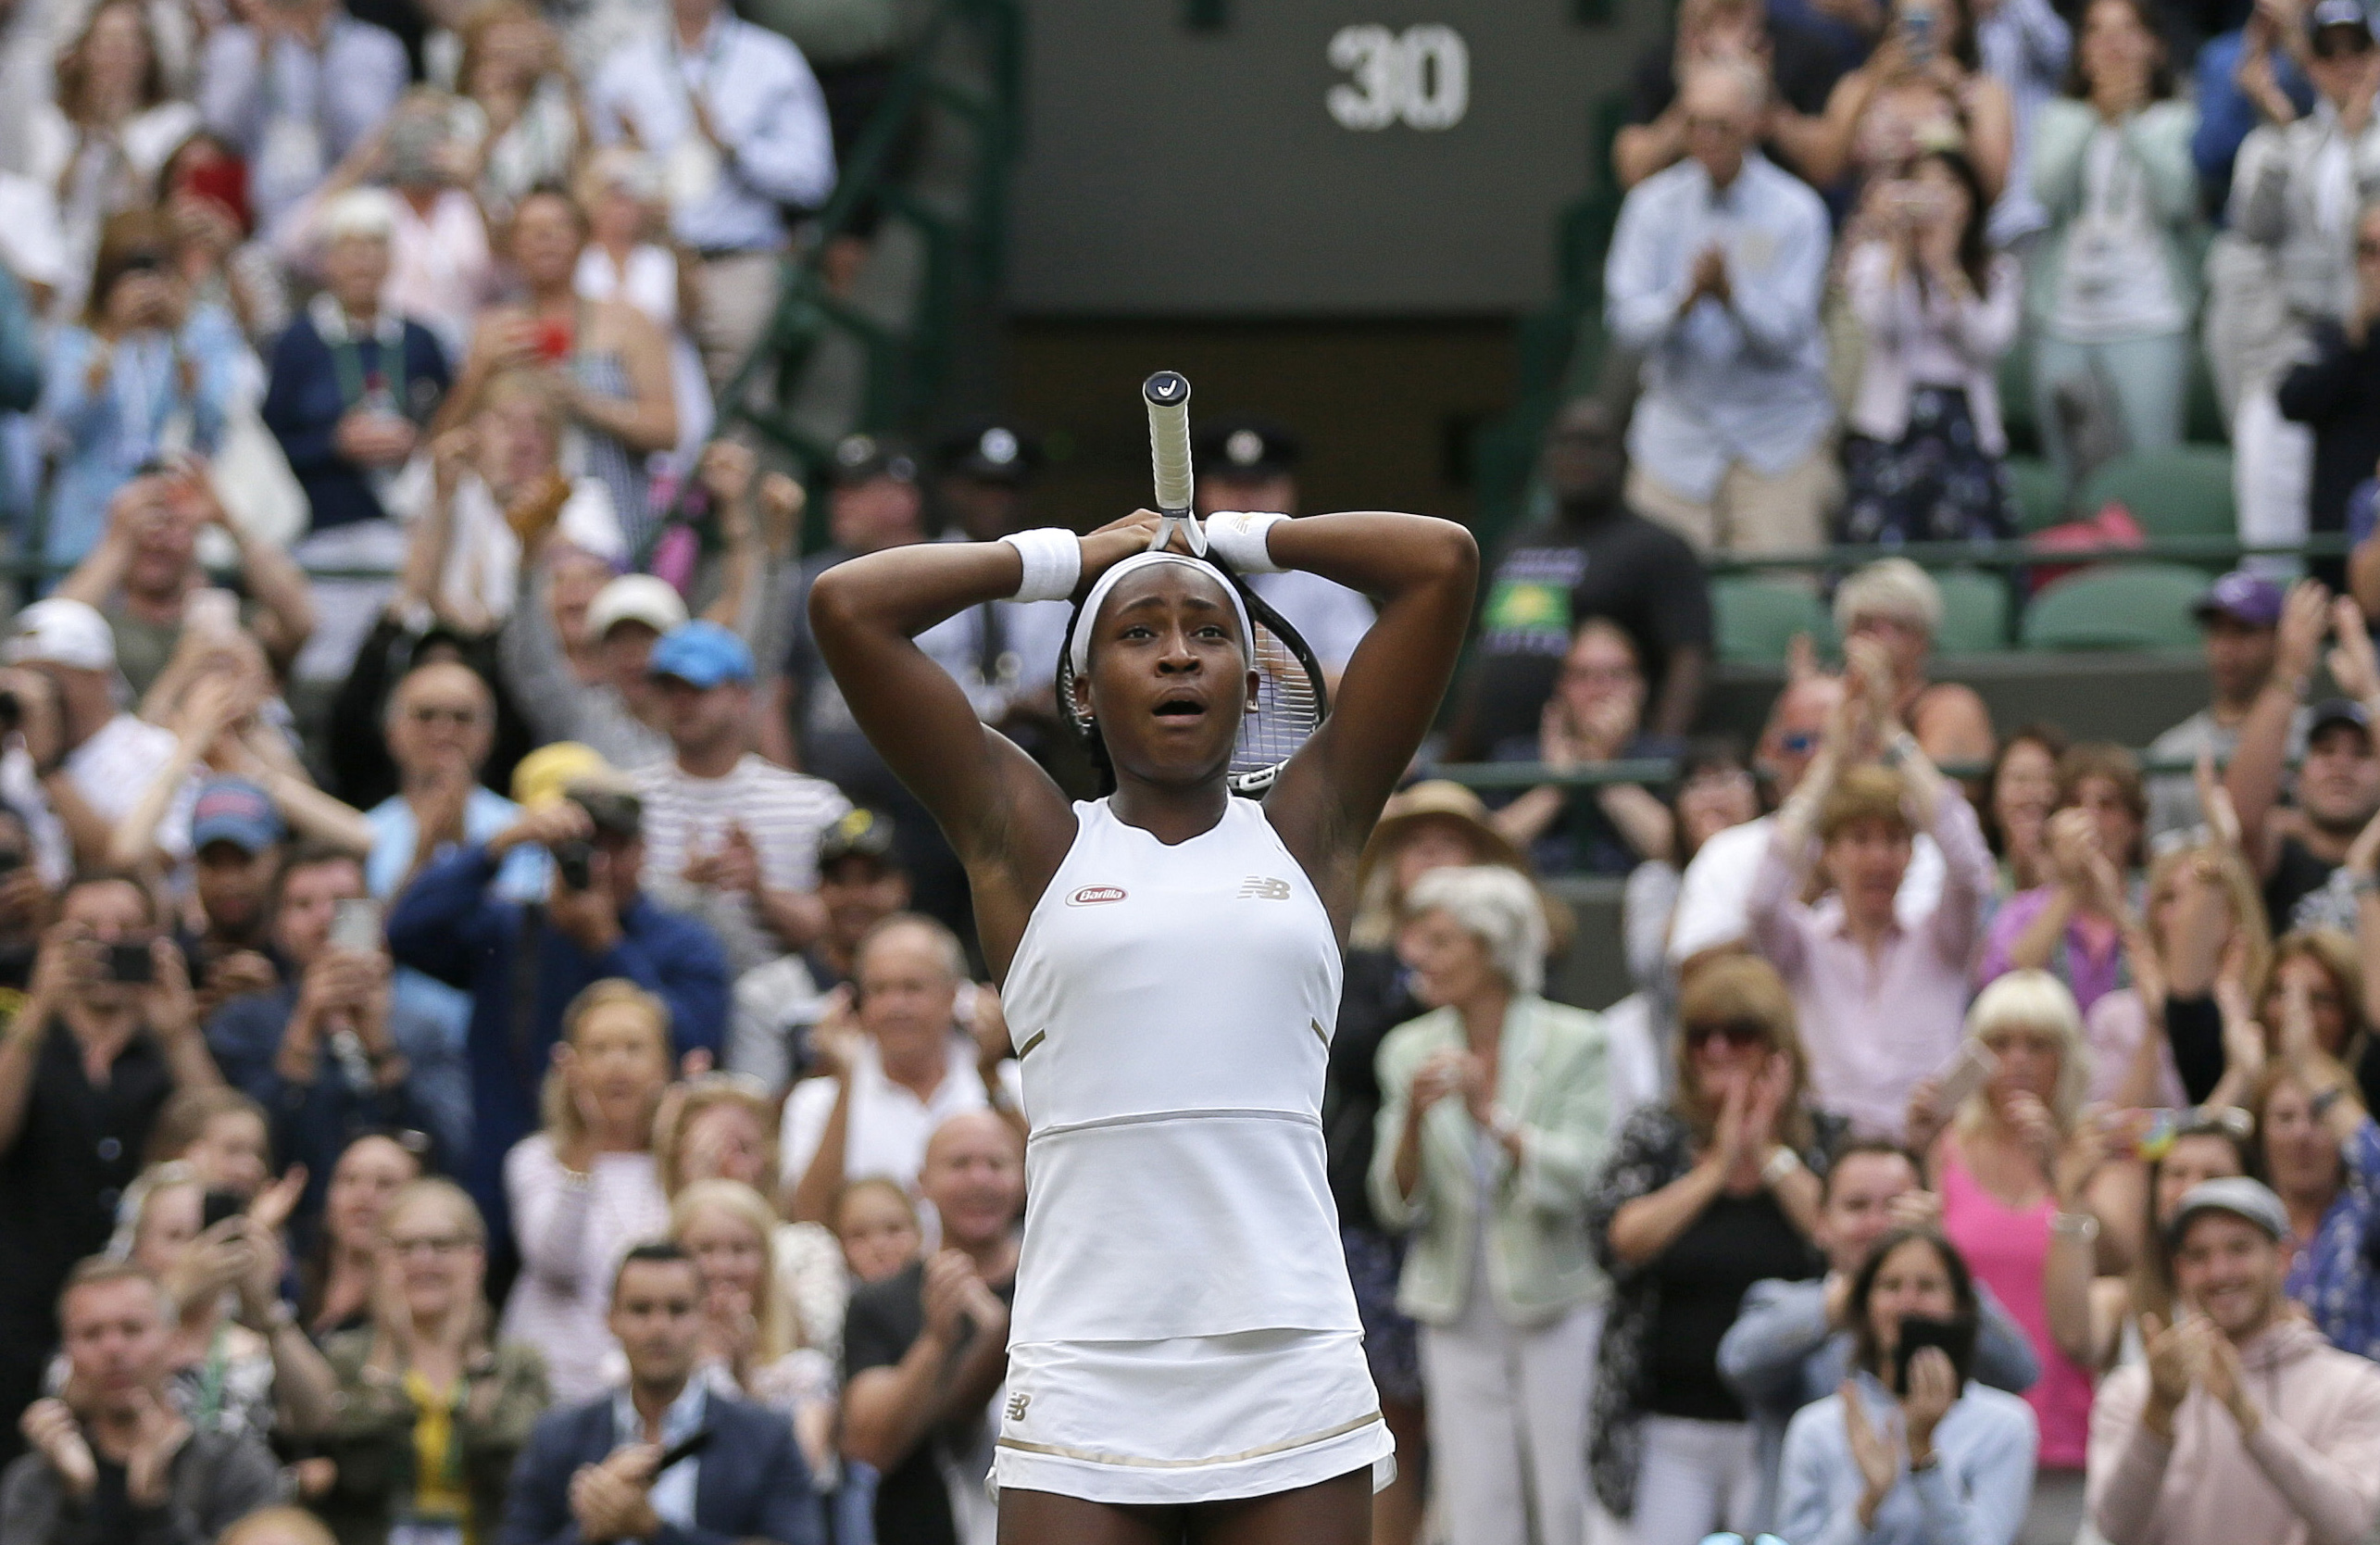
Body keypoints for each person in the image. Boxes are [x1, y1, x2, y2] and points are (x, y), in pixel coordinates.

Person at [808, 473, 1476, 1539]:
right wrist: (1068, 558)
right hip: (1084, 1363)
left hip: (1287, 1356)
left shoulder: (1312, 828)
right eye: (1138, 632)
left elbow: (1438, 561)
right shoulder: (1027, 841)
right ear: (1081, 690)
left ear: (1252, 683)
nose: (1176, 652)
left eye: (1209, 632)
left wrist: (1234, 538)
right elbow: (849, 607)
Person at [386, 761, 730, 1247]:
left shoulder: (685, 945)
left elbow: (694, 1044)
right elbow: (407, 932)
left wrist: (606, 945)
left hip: (635, 1195)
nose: (600, 865)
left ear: (643, 852)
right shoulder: (513, 931)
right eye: (587, 848)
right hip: (502, 1187)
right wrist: (496, 848)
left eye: (616, 847)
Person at [1369, 864, 1611, 1545]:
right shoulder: (1407, 1050)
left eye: (1442, 941)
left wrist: (1492, 1117)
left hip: (1556, 1297)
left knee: (1564, 1496)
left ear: (1492, 948)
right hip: (1454, 1303)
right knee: (1478, 1503)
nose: (1420, 956)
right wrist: (1414, 1125)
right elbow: (1394, 1204)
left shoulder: (1577, 1040)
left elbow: (1583, 1177)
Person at [1585, 953, 1834, 1545]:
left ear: (1778, 1048)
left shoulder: (1822, 1140)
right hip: (1667, 1426)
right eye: (1702, 1035)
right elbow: (1619, 1240)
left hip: (1780, 1426)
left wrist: (1768, 1151)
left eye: (1739, 1034)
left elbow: (1843, 1243)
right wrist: (1717, 1167)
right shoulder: (1655, 1135)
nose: (1718, 1050)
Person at [0, 876, 218, 1463]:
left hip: (148, 1330)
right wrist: (38, 1008)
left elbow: (226, 1146)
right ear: (49, 944)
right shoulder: (24, 1042)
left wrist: (177, 1031)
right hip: (21, 1323)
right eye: (85, 933)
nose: (107, 943)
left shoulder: (169, 1048)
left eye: (127, 930)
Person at [1721, 1139, 2038, 1533]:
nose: (1878, 1225)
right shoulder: (1783, 1303)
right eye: (1856, 1207)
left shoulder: (1997, 1413)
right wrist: (1851, 1299)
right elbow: (1739, 1363)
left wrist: (1941, 1266)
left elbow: (2021, 1371)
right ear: (1821, 1221)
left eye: (1894, 1207)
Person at [1747, 641, 1995, 1138]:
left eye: (1893, 842)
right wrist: (1830, 761)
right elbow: (1761, 900)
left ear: (1909, 854)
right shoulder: (1803, 942)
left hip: (1926, 1148)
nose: (1878, 859)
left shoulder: (1941, 938)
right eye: (1860, 841)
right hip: (1829, 1157)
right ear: (1830, 855)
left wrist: (1889, 731)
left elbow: (1969, 869)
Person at [1912, 970, 2123, 1545]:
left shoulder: (2094, 1148)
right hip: (1954, 1428)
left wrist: (2064, 1178)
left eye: (2039, 1044)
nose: (2019, 1061)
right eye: (2000, 1044)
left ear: (2068, 1057)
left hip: (2060, 1429)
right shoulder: (1943, 1149)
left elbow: (2126, 1263)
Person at [1606, 58, 1838, 557]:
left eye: (1722, 125)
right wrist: (1683, 302)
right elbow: (1625, 326)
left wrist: (1732, 297)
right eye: (1694, 123)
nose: (1706, 137)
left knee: (1777, 608)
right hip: (1675, 444)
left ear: (1755, 123)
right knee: (1660, 612)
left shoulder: (1797, 210)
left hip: (1777, 442)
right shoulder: (1650, 206)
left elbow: (1790, 332)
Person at [2088, 1176, 2380, 1545]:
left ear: (2282, 1258)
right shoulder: (2135, 1390)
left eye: (2239, 1249)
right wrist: (2158, 1415)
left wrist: (2247, 1417)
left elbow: (2350, 1525)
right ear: (2180, 1270)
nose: (2220, 1272)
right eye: (2199, 1256)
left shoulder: (2357, 1386)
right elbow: (2115, 1529)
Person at [204, 844, 470, 1222]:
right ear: (278, 927)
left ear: (375, 917)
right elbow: (251, 1153)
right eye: (303, 905)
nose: (325, 918)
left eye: (343, 902)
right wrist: (304, 1029)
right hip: (287, 1230)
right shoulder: (244, 1023)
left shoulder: (424, 1029)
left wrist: (380, 1045)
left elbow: (449, 1152)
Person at [498, 1242, 825, 1545]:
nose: (659, 1327)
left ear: (703, 1316)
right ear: (611, 1319)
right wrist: (589, 1530)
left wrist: (654, 1529)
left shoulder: (766, 1437)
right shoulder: (556, 1438)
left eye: (677, 1309)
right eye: (641, 1310)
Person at [586, 0, 835, 387]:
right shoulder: (624, 67)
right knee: (651, 395)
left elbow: (813, 179)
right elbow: (598, 178)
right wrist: (635, 164)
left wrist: (733, 149)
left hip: (737, 265)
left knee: (740, 410)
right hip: (649, 266)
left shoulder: (772, 59)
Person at [1450, 396, 1711, 757]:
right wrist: (1455, 761)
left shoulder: (1657, 546)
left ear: (1623, 453)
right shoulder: (1516, 541)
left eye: (1592, 443)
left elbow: (1688, 660)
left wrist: (1659, 759)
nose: (1576, 454)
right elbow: (1487, 655)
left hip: (1594, 764)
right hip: (1499, 765)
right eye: (1563, 442)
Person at [2224, 0, 2380, 572]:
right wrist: (2288, 131)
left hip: (2373, 352)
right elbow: (2253, 227)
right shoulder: (2278, 140)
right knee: (2272, 523)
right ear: (2310, 65)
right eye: (2328, 53)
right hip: (2301, 349)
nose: (2345, 66)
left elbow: (2370, 220)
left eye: (2357, 51)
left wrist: (2357, 139)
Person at [439, 187, 676, 556]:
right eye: (531, 231)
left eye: (558, 228)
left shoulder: (629, 321)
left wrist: (587, 404)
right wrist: (480, 373)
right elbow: (448, 439)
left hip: (613, 523)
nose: (545, 240)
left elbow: (670, 429)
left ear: (583, 239)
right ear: (512, 246)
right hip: (512, 532)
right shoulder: (492, 328)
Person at [315, 1178, 550, 1545]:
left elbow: (515, 1475)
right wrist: (385, 1358)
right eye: (405, 1247)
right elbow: (359, 1473)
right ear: (380, 1258)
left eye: (441, 1245)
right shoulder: (343, 1359)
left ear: (477, 1258)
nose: (423, 1261)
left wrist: (477, 1361)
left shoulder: (519, 1363)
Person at [2026, 0, 2200, 480]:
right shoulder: (2061, 117)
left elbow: (2177, 201)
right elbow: (2045, 192)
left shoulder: (2176, 119)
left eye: (2128, 31)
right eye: (2098, 32)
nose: (2113, 45)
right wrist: (2095, 117)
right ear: (2082, 50)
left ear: (2156, 46)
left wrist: (2129, 122)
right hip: (2065, 318)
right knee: (2067, 472)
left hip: (2149, 315)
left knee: (2149, 473)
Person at [1777, 1228, 2039, 1545]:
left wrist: (1923, 1458)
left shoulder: (2004, 1424)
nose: (1908, 1302)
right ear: (1866, 1304)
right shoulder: (1818, 1426)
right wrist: (1869, 1502)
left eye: (1927, 1286)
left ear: (1959, 1304)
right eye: (1891, 1286)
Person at [840, 1111, 1021, 1545]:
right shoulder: (879, 1301)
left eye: (996, 1164)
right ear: (922, 1182)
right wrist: (936, 1342)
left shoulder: (1054, 1284)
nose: (980, 1180)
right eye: (959, 1164)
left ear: (1025, 1174)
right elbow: (871, 1448)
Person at [0, 1259, 279, 1541]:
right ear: (67, 1353)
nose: (113, 1349)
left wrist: (156, 1507)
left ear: (173, 1341)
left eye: (132, 1329)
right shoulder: (37, 1480)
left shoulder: (234, 1469)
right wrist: (74, 1502)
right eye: (91, 1334)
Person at [633, 621, 847, 977]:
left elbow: (845, 932)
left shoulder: (813, 806)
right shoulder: (628, 801)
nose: (681, 701)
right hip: (659, 999)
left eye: (698, 686)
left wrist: (759, 892)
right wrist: (676, 893)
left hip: (782, 1010)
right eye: (669, 688)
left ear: (743, 696)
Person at [779, 912, 1021, 1224]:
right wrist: (846, 1080)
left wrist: (990, 1074)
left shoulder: (1010, 1084)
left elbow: (1038, 1195)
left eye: (912, 988)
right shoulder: (816, 1101)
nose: (895, 1007)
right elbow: (808, 1218)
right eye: (879, 990)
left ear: (953, 996)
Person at [1838, 149, 2025, 548]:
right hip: (1893, 428)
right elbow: (1884, 325)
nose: (1935, 198)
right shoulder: (1874, 260)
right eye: (1923, 185)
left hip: (1965, 430)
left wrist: (1945, 269)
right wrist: (1900, 250)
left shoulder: (1996, 270)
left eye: (1949, 186)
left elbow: (1990, 342)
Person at [499, 979, 675, 1404]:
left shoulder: (679, 1166)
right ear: (569, 1066)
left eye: (634, 1048)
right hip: (551, 1391)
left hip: (654, 1393)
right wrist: (584, 1150)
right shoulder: (536, 1158)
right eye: (599, 1050)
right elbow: (553, 1260)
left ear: (663, 1067)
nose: (617, 1066)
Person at [37, 210, 243, 568]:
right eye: (130, 269)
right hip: (88, 523)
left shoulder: (204, 332)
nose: (145, 283)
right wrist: (110, 339)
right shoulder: (77, 338)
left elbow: (214, 423)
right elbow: (62, 426)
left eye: (155, 267)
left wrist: (180, 336)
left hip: (175, 525)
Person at [259, 188, 452, 540]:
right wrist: (333, 444)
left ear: (393, 258)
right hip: (321, 526)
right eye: (349, 247)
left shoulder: (419, 339)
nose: (362, 260)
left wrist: (417, 442)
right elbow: (270, 441)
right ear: (326, 261)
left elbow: (449, 423)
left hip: (411, 527)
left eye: (375, 246)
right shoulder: (298, 342)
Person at [55, 465, 318, 701]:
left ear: (196, 535)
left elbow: (300, 622)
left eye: (172, 523)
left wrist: (229, 521)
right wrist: (116, 542)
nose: (157, 539)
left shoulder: (227, 618)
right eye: (145, 524)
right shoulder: (99, 630)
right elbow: (50, 636)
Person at [0, 597, 195, 879]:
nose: (32, 693)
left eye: (45, 676)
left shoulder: (158, 754)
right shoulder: (15, 759)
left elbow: (134, 867)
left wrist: (48, 770)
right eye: (20, 677)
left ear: (98, 675)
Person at [30, 1, 200, 321]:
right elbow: (44, 199)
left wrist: (119, 132)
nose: (117, 57)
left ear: (147, 54)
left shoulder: (175, 122)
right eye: (107, 43)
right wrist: (87, 138)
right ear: (83, 53)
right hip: (68, 272)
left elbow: (162, 203)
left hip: (143, 267)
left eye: (129, 43)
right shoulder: (52, 122)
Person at [2048, 1112, 2252, 1376]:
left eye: (2213, 1176)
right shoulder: (2123, 1302)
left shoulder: (2273, 1304)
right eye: (2177, 1174)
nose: (2192, 1189)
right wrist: (2073, 1198)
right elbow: (2074, 1337)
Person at [2228, 584, 2380, 934]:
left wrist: (2371, 688)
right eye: (2325, 751)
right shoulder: (2276, 857)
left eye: (2361, 753)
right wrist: (2289, 671)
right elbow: (2241, 817)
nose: (2341, 765)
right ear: (2298, 774)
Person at [730, 806, 910, 1090]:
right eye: (840, 880)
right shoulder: (765, 994)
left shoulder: (934, 987)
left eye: (871, 879)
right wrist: (828, 1065)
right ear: (818, 888)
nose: (856, 897)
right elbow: (756, 1117)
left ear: (902, 888)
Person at [671, 1178, 839, 1485]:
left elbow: (800, 1471)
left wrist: (743, 1378)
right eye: (704, 1249)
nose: (722, 1267)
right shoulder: (638, 1365)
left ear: (766, 1262)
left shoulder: (804, 1373)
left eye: (740, 1249)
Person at [1188, 417, 1378, 677]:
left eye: (1260, 485)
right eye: (1231, 485)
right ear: (1202, 492)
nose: (1245, 500)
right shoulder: (1165, 568)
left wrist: (1264, 647)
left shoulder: (1323, 575)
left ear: (1288, 492)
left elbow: (1364, 683)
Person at [1485, 618, 1675, 877]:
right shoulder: (1515, 756)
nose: (1599, 689)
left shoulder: (1668, 757)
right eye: (1583, 676)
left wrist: (1605, 771)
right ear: (1561, 687)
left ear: (1639, 687)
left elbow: (1677, 852)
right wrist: (1557, 786)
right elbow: (1483, 854)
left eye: (1616, 675)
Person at [195, 0, 406, 233]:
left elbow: (370, 140)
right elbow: (220, 134)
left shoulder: (376, 47)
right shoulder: (231, 46)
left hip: (348, 213)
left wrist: (322, 56)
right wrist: (260, 54)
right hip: (261, 214)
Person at [1979, 742, 2148, 1018]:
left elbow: (2173, 982)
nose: (2089, 817)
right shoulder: (2025, 909)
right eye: (2075, 803)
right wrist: (2071, 889)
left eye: (2107, 805)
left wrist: (2115, 907)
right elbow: (2001, 993)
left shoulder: (2154, 901)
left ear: (2133, 825)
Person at [1613, 0, 1842, 190]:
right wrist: (1695, 99)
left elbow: (1827, 165)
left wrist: (1766, 100)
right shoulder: (1666, 58)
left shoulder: (1807, 51)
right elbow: (1632, 170)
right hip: (1684, 215)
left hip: (1780, 220)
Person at [2146, 572, 2301, 845]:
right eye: (2217, 631)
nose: (2227, 648)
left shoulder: (2319, 737)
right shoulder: (2172, 752)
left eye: (2243, 631)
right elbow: (2159, 857)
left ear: (2279, 639)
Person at [2246, 1048, 2380, 1354]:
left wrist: (2326, 1089)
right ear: (2260, 1134)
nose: (2302, 1134)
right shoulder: (2243, 1224)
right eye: (2285, 1118)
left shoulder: (2365, 1217)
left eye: (2318, 1115)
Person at [2281, 197, 2380, 553]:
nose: (2377, 266)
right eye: (2369, 250)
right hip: (2338, 534)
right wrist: (2354, 340)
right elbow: (2291, 402)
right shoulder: (2333, 332)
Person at [1833, 560, 1997, 773]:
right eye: (1866, 624)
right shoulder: (1831, 703)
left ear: (1923, 639)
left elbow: (1930, 800)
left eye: (1898, 626)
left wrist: (1882, 720)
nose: (1880, 638)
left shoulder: (1951, 707)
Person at [300, 1131, 423, 1337]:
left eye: (385, 1183)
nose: (363, 1196)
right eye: (349, 1180)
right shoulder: (294, 1289)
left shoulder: (423, 1310)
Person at [1987, 724, 2068, 897]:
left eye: (2046, 779)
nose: (2032, 794)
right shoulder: (1980, 883)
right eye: (2020, 779)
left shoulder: (2085, 882)